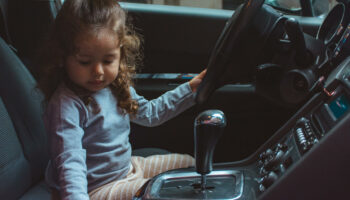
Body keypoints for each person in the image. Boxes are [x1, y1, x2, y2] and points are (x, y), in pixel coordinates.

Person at [36, 0, 206, 199]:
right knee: (162, 192)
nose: (98, 71)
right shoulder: (66, 105)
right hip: (96, 188)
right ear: (62, 57)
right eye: (85, 62)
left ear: (120, 55)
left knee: (190, 164)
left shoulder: (114, 87)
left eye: (108, 61)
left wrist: (190, 89)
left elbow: (151, 114)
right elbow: (69, 163)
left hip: (128, 168)